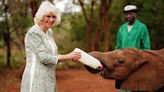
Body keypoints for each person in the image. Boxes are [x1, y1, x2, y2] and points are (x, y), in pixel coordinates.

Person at [21, 1, 81, 92]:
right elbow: (43, 58)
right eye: (48, 16)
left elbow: (52, 55)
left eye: (54, 17)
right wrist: (68, 56)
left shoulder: (49, 32)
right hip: (36, 78)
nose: (51, 19)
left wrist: (69, 57)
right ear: (41, 16)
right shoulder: (34, 32)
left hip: (49, 77)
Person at [115, 4, 151, 92]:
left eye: (130, 14)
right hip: (123, 63)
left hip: (136, 63)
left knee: (136, 87)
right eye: (126, 14)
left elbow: (147, 47)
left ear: (135, 14)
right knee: (123, 87)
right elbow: (118, 46)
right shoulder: (122, 28)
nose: (128, 16)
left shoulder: (142, 27)